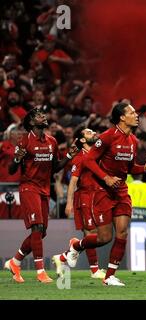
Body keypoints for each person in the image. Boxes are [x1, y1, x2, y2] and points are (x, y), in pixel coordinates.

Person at [56, 102, 146, 286]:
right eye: (132, 113)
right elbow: (88, 160)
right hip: (102, 191)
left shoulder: (133, 141)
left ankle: (109, 276)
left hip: (121, 191)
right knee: (104, 237)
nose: (136, 115)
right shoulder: (107, 137)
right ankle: (76, 246)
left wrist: (144, 168)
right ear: (121, 117)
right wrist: (106, 177)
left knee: (122, 231)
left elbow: (129, 168)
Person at [4, 107, 78, 283]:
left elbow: (55, 168)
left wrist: (69, 155)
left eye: (43, 114)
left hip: (44, 189)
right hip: (29, 188)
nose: (43, 116)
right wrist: (16, 159)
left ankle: (15, 262)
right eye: (38, 115)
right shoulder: (25, 141)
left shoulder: (51, 141)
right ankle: (40, 272)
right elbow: (12, 169)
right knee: (36, 227)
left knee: (41, 232)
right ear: (31, 122)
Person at [51, 127, 106, 279]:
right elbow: (73, 181)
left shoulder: (98, 154)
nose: (94, 133)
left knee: (100, 235)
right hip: (85, 198)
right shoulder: (80, 158)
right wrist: (69, 203)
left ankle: (63, 257)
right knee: (91, 234)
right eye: (89, 132)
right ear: (82, 140)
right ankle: (94, 271)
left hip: (98, 198)